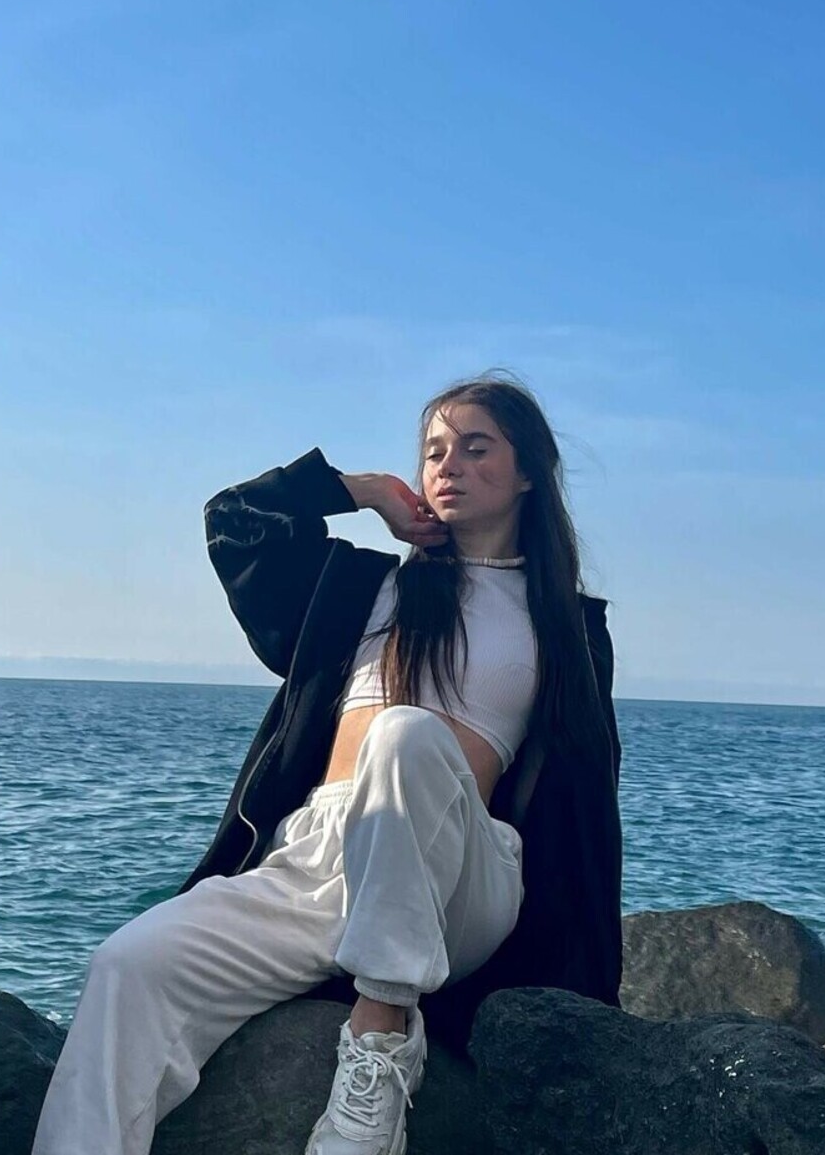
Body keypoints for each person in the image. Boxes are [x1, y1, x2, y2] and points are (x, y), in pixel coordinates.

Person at [32, 375, 623, 1155]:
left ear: (527, 475)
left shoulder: (562, 627)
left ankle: (380, 1043)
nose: (447, 465)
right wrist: (363, 490)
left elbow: (586, 815)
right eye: (433, 451)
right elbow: (235, 521)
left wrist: (593, 1002)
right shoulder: (365, 589)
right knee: (128, 966)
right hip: (320, 859)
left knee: (403, 735)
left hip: (459, 879)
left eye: (476, 448)